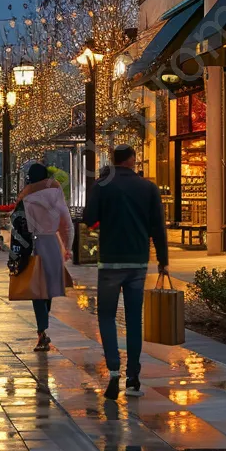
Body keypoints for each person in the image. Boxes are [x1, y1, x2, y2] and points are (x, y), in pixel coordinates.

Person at [85, 144, 169, 400]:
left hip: (110, 260)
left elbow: (89, 219)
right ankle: (133, 377)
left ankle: (112, 370)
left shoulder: (101, 186)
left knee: (107, 316)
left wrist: (105, 220)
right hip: (137, 262)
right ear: (133, 160)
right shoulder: (148, 188)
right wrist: (163, 260)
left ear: (114, 160)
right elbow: (158, 227)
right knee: (134, 319)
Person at [16, 163, 74, 352]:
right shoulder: (55, 193)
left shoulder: (26, 196)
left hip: (34, 244)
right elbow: (67, 224)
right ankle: (43, 328)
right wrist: (67, 247)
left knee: (37, 290)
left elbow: (17, 224)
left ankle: (41, 330)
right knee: (47, 289)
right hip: (53, 243)